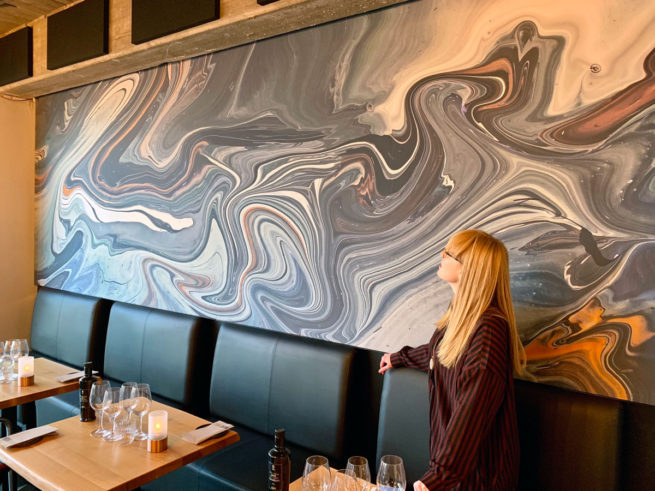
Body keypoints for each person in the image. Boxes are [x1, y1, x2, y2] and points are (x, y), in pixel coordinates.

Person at [379, 229, 526, 490]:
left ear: (468, 268)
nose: (442, 255)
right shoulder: (463, 317)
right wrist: (399, 357)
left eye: (449, 253)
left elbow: (472, 412)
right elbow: (440, 353)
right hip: (457, 474)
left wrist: (436, 478)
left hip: (479, 478)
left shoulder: (489, 330)